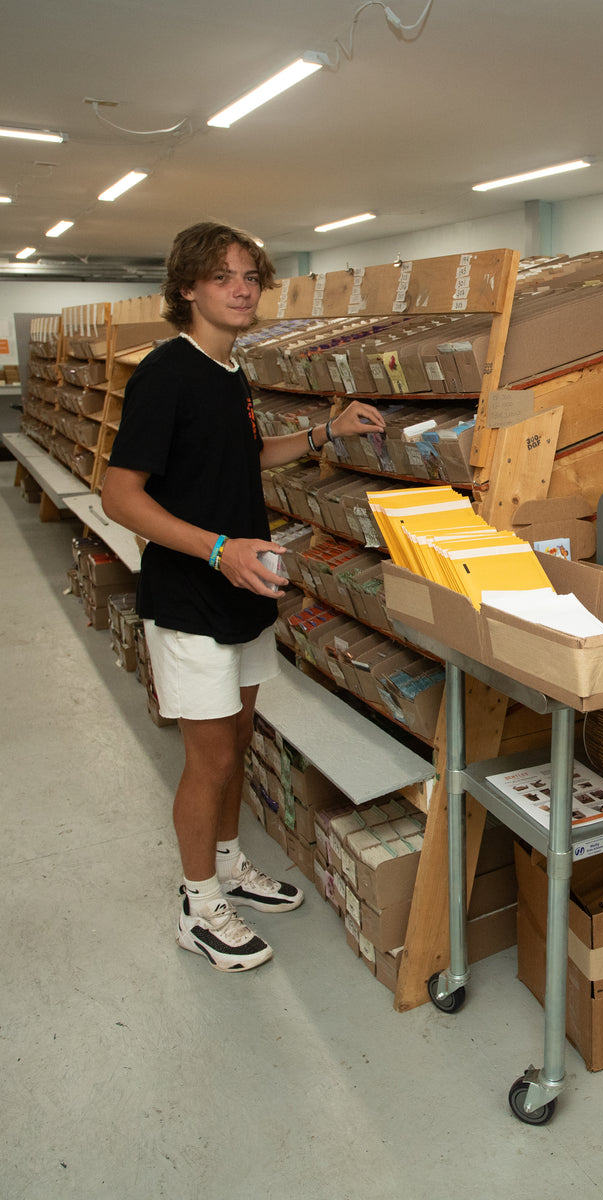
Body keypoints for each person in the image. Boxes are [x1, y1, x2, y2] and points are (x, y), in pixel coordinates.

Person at [101, 221, 387, 972]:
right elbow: (119, 497)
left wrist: (325, 433)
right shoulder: (165, 374)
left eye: (250, 277)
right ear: (187, 288)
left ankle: (227, 862)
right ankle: (198, 905)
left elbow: (247, 456)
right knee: (211, 756)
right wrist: (218, 550)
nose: (240, 288)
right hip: (192, 593)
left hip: (245, 586)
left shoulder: (230, 373)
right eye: (223, 276)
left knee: (239, 740)